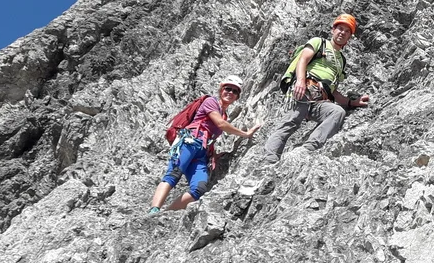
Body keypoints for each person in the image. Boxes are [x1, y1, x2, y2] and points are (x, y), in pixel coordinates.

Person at [262, 14, 371, 164]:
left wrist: (352, 103)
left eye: (347, 31)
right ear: (333, 30)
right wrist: (300, 81)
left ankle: (308, 149)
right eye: (340, 28)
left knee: (337, 112)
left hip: (321, 98)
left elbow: (333, 91)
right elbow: (303, 60)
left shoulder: (341, 61)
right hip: (304, 90)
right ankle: (269, 159)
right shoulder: (318, 42)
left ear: (349, 37)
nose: (342, 32)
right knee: (291, 121)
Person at [148, 75, 261, 213]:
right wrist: (246, 134)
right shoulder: (210, 102)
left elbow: (212, 134)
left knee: (199, 189)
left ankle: (165, 214)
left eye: (235, 91)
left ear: (237, 96)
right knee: (174, 174)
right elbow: (220, 124)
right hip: (189, 141)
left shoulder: (224, 114)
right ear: (221, 90)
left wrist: (213, 154)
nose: (230, 92)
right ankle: (154, 210)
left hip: (201, 152)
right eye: (228, 88)